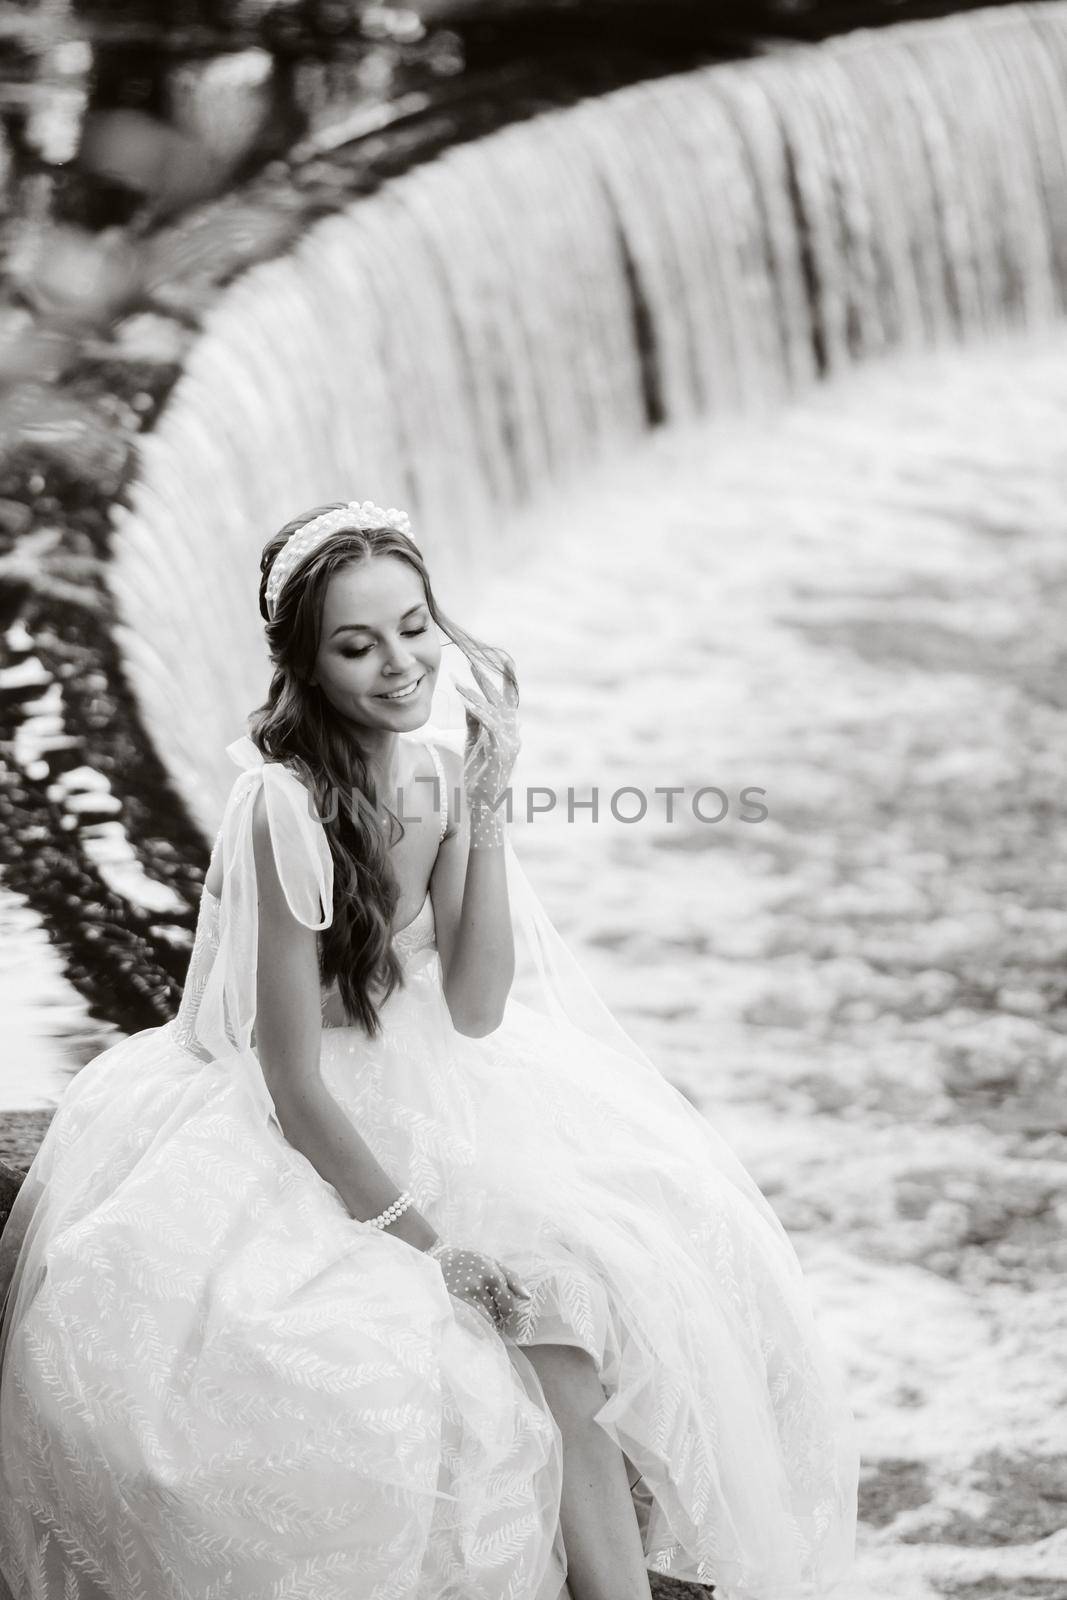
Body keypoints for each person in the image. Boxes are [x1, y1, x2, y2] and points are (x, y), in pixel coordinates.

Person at [0, 499, 859, 1600]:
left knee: (587, 1297)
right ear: (306, 665)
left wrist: (489, 800)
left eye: (414, 627)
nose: (400, 663)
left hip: (428, 1075)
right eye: (358, 646)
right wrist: (420, 1237)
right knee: (444, 1337)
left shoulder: (440, 773)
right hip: (302, 1122)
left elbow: (477, 1002)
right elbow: (291, 1079)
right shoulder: (281, 806)